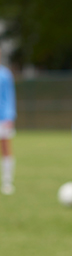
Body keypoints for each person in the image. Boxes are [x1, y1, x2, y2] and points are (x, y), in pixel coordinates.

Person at [0, 60, 16, 195]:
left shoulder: (5, 74)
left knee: (5, 149)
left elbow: (9, 96)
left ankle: (7, 182)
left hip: (2, 119)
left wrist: (9, 116)